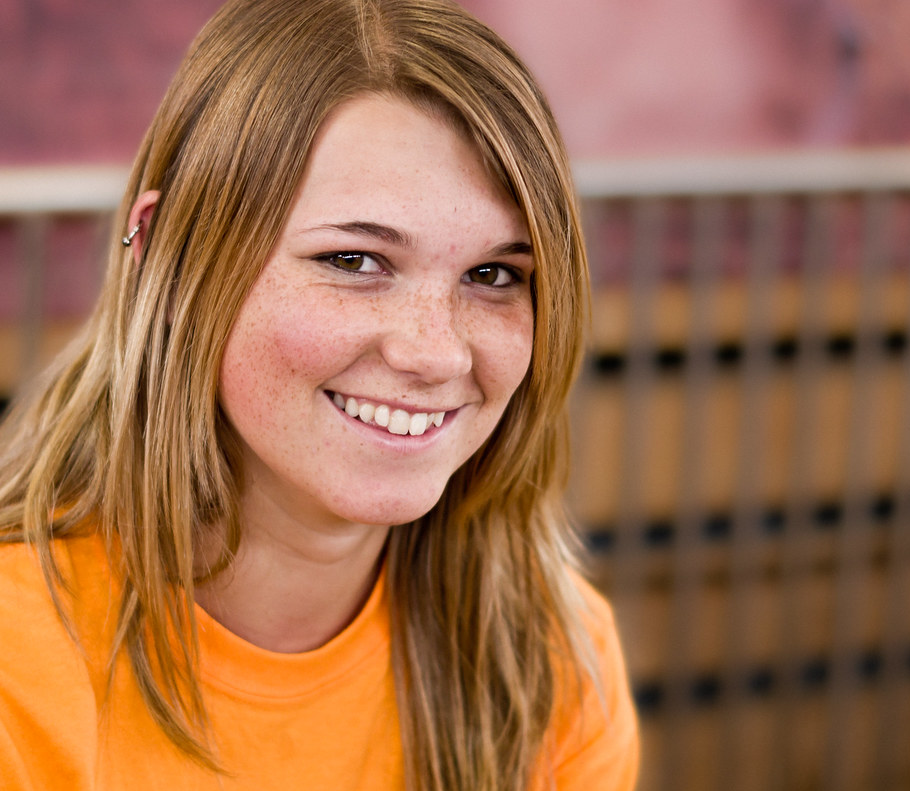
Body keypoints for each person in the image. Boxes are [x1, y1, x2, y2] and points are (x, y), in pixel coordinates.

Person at [0, 0, 639, 789]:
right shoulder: (16, 662)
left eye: (493, 275)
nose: (433, 351)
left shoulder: (555, 662)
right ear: (166, 255)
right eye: (353, 260)